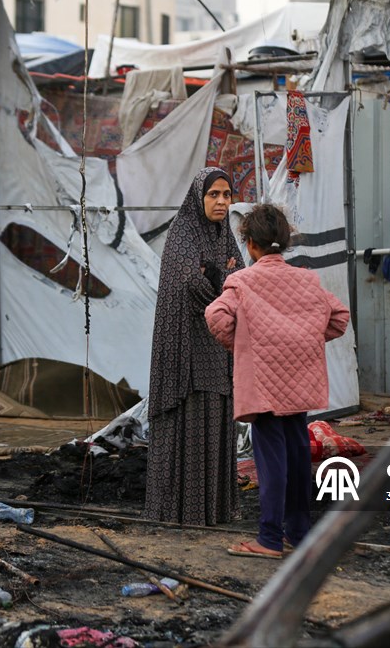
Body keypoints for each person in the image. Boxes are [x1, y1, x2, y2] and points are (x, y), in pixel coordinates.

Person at [205, 203, 350, 559]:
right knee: (298, 456)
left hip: (265, 387)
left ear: (250, 244)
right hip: (300, 381)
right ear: (283, 243)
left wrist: (242, 346)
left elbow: (216, 315)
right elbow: (339, 318)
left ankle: (269, 539)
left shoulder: (241, 281)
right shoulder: (307, 279)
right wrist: (305, 339)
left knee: (271, 462)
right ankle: (299, 534)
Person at [143, 167, 243, 525]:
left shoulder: (224, 235)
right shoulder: (182, 232)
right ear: (199, 198)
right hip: (184, 349)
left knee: (216, 415)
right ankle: (179, 511)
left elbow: (241, 278)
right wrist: (221, 279)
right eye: (213, 195)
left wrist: (215, 276)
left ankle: (212, 510)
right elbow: (189, 282)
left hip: (216, 348)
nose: (220, 202)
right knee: (187, 419)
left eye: (226, 195)